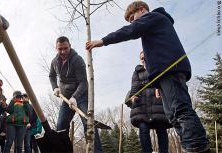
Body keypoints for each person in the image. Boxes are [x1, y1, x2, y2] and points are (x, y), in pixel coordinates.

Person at [86, 1, 209, 152]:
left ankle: (198, 148)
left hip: (171, 71)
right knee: (172, 116)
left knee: (181, 110)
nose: (133, 22)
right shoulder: (153, 26)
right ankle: (189, 147)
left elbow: (130, 31)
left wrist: (103, 41)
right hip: (163, 75)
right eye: (130, 20)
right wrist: (157, 84)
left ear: (142, 10)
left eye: (133, 17)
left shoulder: (154, 17)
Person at [49, 36, 103, 153]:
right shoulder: (54, 62)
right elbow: (51, 76)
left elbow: (83, 82)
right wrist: (55, 87)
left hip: (81, 95)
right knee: (60, 126)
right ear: (56, 48)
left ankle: (97, 151)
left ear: (70, 46)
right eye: (60, 49)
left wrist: (75, 97)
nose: (63, 51)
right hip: (66, 98)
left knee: (88, 123)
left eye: (65, 48)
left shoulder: (77, 60)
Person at [125, 51, 172, 153]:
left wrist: (158, 86)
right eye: (142, 58)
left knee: (161, 128)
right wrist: (134, 95)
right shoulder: (137, 71)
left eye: (145, 57)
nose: (143, 59)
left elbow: (163, 80)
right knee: (143, 128)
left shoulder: (157, 67)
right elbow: (135, 86)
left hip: (157, 101)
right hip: (142, 104)